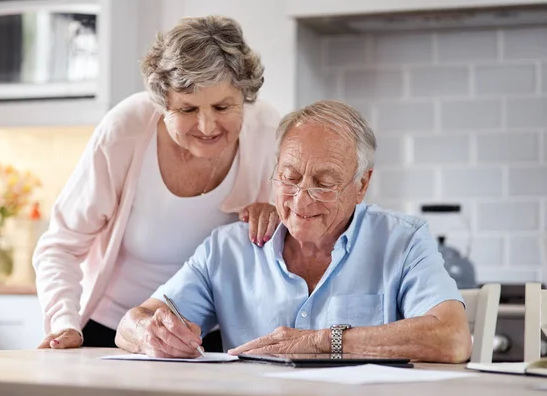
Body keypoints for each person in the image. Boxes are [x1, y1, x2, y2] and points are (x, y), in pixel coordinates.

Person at [115, 100, 472, 363]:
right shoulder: (228, 249)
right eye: (289, 177)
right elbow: (132, 323)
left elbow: (452, 338)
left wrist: (320, 342)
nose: (301, 199)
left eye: (324, 182)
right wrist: (151, 335)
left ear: (362, 184)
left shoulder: (402, 241)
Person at [33, 16, 281, 350]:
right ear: (163, 102)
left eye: (222, 106)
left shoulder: (268, 132)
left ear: (245, 97)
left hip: (217, 337)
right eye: (188, 109)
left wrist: (279, 221)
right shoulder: (126, 131)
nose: (207, 126)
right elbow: (60, 245)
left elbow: (298, 247)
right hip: (114, 331)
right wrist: (65, 320)